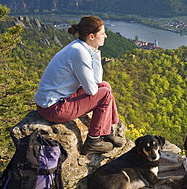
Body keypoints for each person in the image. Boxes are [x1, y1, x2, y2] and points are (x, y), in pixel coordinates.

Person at [34, 15, 124, 156]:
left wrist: (96, 53)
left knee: (105, 85)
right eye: (102, 33)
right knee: (104, 94)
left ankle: (106, 131)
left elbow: (98, 80)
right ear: (91, 36)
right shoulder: (79, 52)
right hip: (53, 108)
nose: (106, 36)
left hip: (57, 100)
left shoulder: (81, 47)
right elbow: (92, 89)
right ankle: (94, 141)